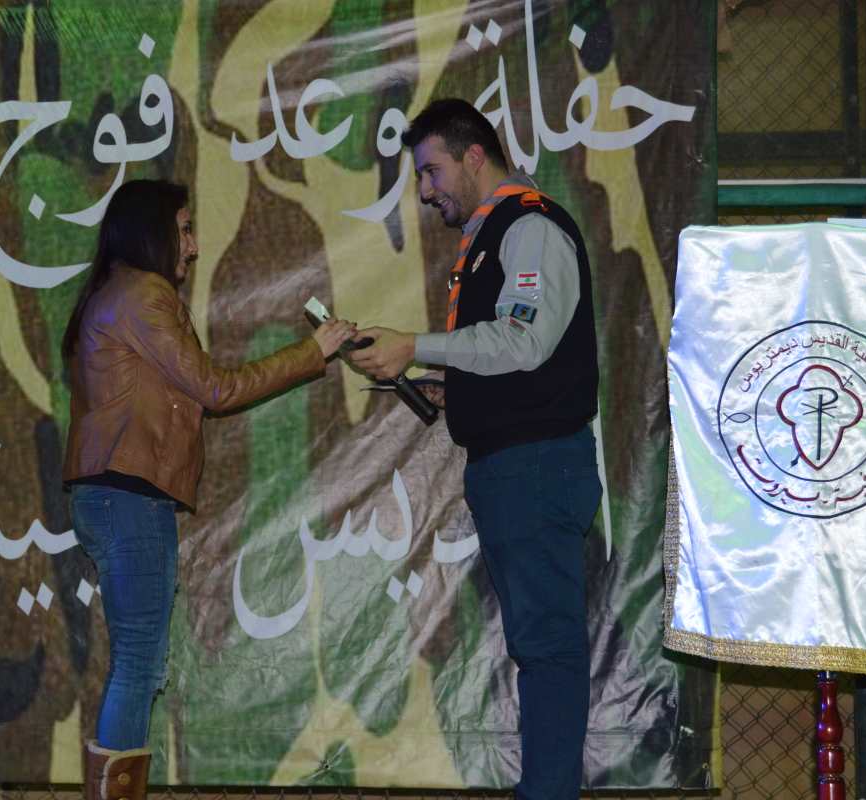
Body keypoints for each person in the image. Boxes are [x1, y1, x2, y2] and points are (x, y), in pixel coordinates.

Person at [61, 179, 354, 800]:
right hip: (128, 496)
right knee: (138, 667)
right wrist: (313, 351)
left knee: (138, 664)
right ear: (152, 232)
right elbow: (217, 390)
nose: (193, 246)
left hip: (115, 496)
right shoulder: (146, 294)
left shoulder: (116, 292)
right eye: (185, 229)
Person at [349, 99, 602, 800]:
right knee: (539, 647)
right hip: (516, 467)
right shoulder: (498, 232)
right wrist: (453, 387)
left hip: (536, 466)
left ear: (472, 156)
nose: (425, 190)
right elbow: (511, 353)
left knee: (547, 650)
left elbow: (523, 341)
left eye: (430, 171)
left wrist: (415, 345)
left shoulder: (529, 226)